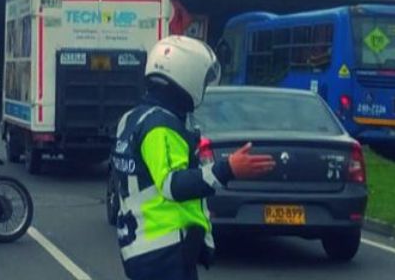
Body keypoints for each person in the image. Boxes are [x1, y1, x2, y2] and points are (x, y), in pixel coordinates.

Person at [113, 36, 275, 280]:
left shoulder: (133, 119)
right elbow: (172, 184)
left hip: (143, 246)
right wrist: (227, 168)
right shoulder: (161, 127)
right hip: (163, 250)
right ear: (186, 76)